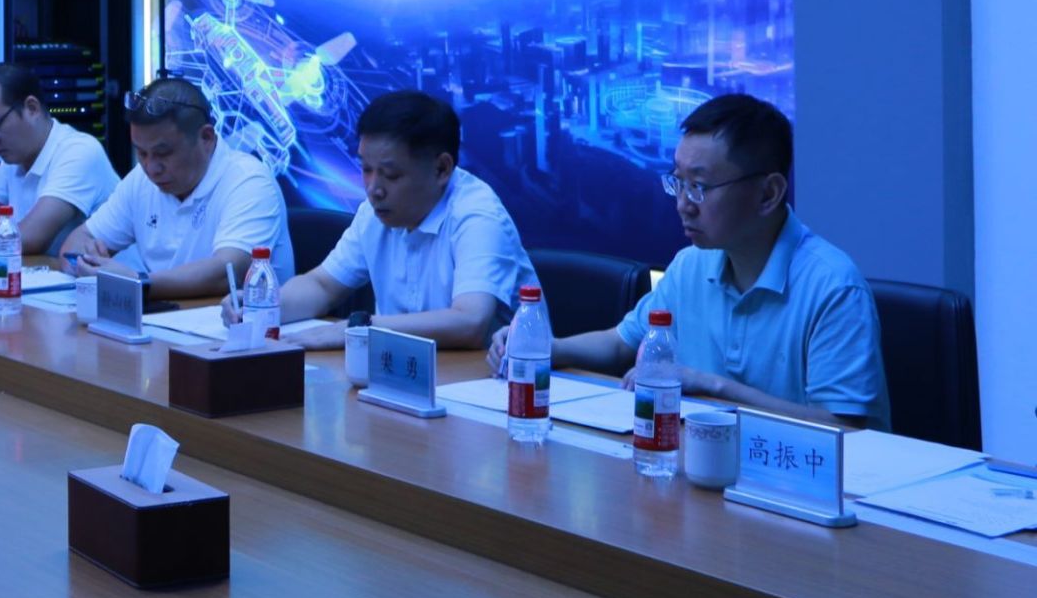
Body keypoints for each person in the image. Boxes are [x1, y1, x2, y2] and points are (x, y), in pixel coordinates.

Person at [486, 94, 890, 430]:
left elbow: (845, 430)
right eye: (677, 182)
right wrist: (545, 348)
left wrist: (711, 387)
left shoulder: (833, 287)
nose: (682, 204)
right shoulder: (691, 265)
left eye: (698, 186)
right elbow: (620, 344)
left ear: (768, 194)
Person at [244, 90, 536, 350]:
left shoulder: (478, 216)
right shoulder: (373, 213)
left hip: (489, 382)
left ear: (441, 169)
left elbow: (470, 322)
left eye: (391, 174)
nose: (374, 189)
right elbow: (322, 286)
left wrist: (359, 329)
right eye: (366, 169)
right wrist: (262, 309)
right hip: (402, 373)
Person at [58, 75, 293, 298]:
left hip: (240, 323)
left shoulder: (248, 181)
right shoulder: (141, 179)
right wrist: (86, 261)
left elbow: (227, 273)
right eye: (141, 153)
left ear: (206, 138)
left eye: (163, 153)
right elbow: (78, 240)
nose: (151, 168)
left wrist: (137, 282)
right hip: (165, 317)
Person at [0, 62, 120, 253]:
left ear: (32, 108)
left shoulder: (78, 151)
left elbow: (30, 238)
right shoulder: (15, 158)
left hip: (106, 274)